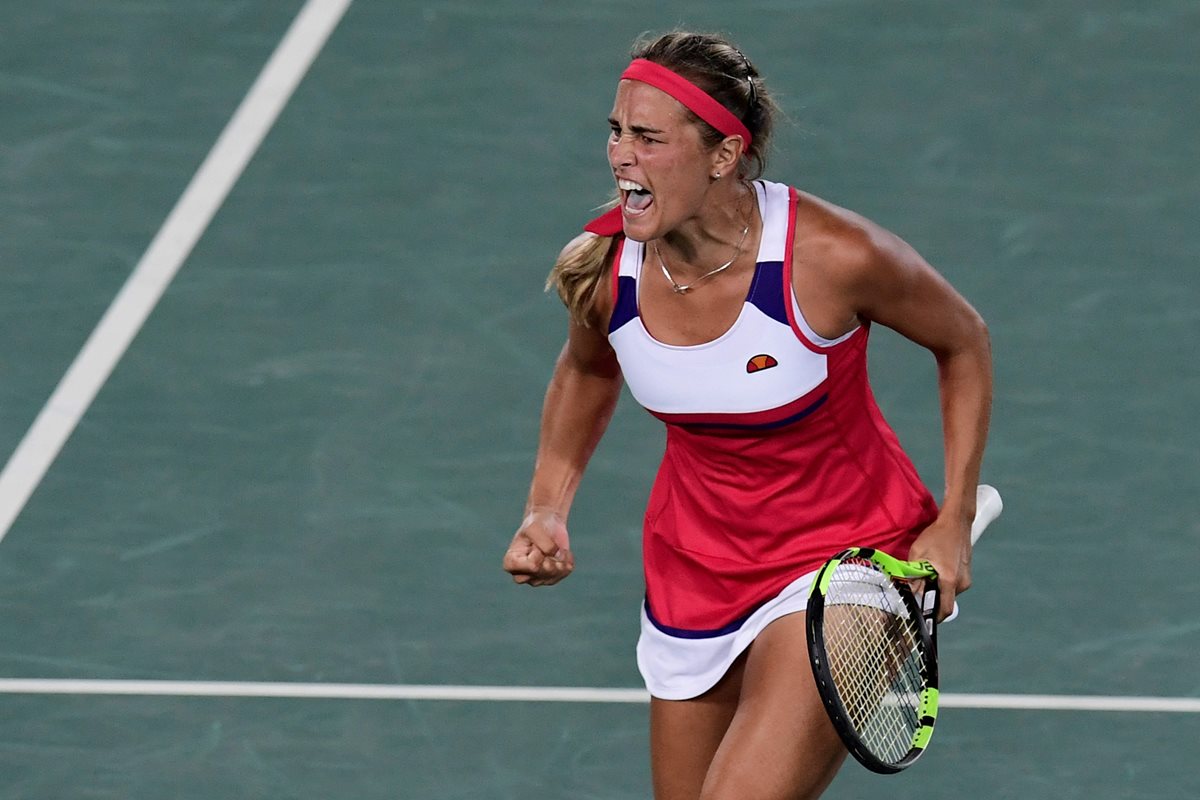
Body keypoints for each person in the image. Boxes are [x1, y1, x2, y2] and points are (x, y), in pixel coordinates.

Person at [502, 30, 992, 800]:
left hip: (845, 562)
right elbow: (588, 369)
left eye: (648, 138)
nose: (620, 156)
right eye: (616, 131)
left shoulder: (831, 257)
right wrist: (547, 508)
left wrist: (954, 519)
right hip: (695, 568)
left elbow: (963, 342)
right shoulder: (608, 273)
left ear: (724, 155)